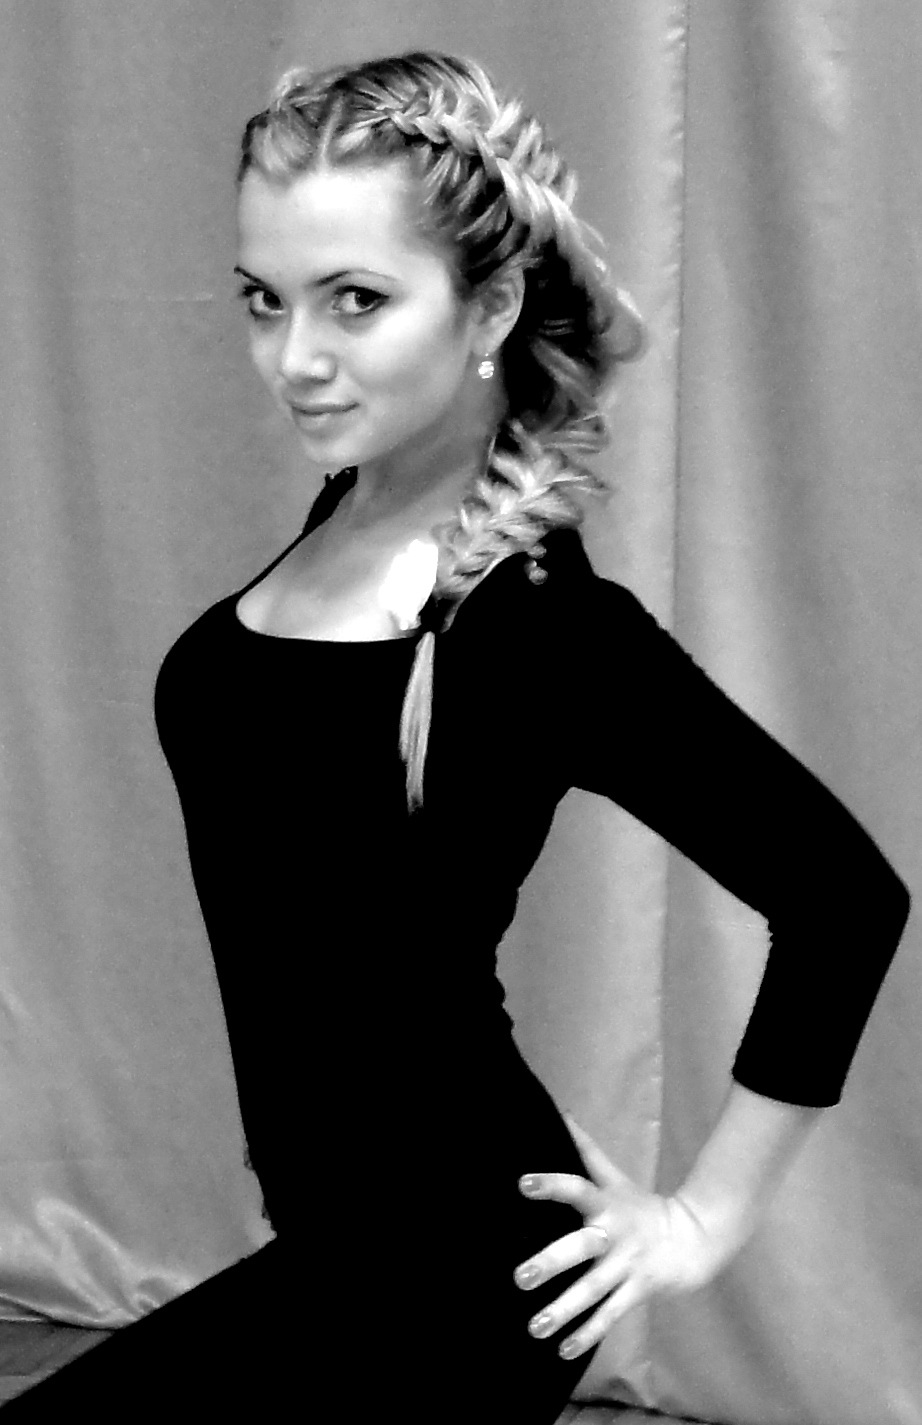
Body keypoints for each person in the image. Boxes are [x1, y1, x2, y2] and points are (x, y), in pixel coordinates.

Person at [6, 49, 910, 1421]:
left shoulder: (537, 625)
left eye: (356, 300)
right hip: (339, 1257)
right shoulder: (355, 504)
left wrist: (698, 1221)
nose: (295, 359)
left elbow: (844, 899)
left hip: (462, 1281)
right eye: (264, 299)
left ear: (490, 303)